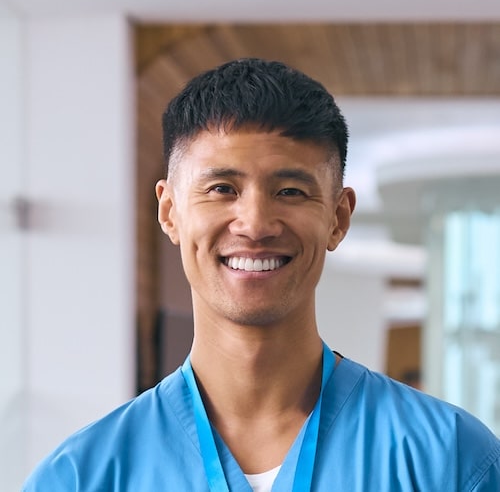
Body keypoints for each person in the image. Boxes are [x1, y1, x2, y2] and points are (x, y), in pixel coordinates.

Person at [23, 58, 499, 491]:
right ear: (170, 212)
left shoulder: (451, 462)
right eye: (221, 188)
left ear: (338, 217)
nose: (254, 224)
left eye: (291, 191)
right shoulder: (82, 476)